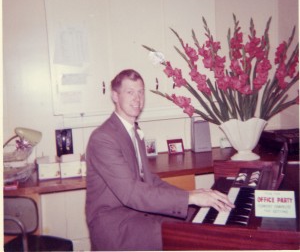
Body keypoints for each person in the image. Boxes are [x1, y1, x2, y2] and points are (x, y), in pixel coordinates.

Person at [85, 69, 234, 251]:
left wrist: (192, 194)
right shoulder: (103, 138)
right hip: (116, 224)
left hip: (138, 211)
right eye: (130, 92)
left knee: (198, 216)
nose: (137, 98)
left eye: (140, 92)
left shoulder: (132, 131)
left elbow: (150, 180)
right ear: (115, 96)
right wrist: (189, 197)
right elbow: (131, 192)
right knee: (193, 236)